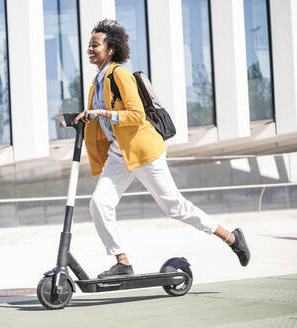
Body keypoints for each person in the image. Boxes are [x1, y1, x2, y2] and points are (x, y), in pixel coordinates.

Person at [74, 19, 250, 279]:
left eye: (95, 44)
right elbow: (101, 120)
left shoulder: (119, 74)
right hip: (118, 152)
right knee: (99, 204)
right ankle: (122, 261)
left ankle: (231, 237)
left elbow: (135, 115)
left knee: (174, 208)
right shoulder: (95, 83)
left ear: (110, 49)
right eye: (89, 45)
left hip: (144, 150)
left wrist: (100, 112)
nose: (90, 48)